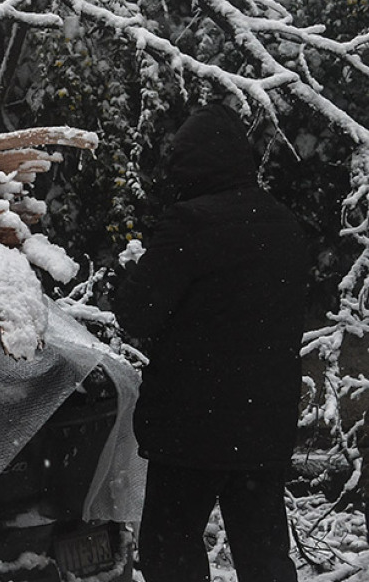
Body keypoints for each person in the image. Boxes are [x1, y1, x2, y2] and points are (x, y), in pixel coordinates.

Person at [112, 103, 307, 582]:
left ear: (190, 164)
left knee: (170, 552)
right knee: (265, 559)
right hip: (264, 428)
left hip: (190, 431)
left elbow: (137, 313)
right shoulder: (285, 225)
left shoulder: (188, 224)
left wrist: (127, 277)